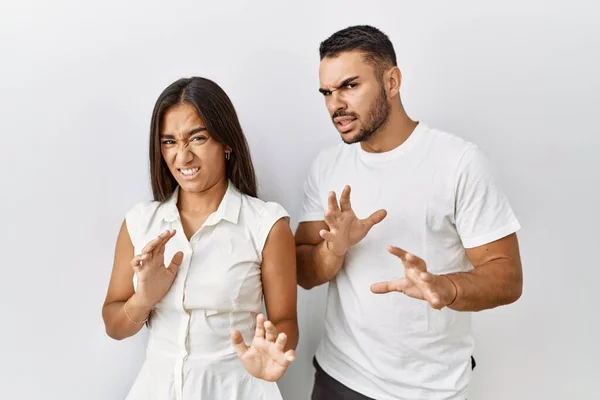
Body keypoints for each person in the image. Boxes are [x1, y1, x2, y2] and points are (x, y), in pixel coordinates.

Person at [295, 25, 523, 400]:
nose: (336, 104)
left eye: (350, 86)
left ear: (392, 81)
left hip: (431, 389)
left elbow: (508, 277)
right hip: (340, 379)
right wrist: (331, 251)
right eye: (327, 92)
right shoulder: (327, 166)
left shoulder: (458, 163)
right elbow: (302, 273)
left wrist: (445, 287)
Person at [102, 77, 298, 400]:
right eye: (169, 142)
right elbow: (114, 324)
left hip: (238, 390)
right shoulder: (140, 222)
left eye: (197, 138)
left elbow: (286, 321)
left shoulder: (266, 224)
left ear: (227, 142)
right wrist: (144, 298)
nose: (183, 157)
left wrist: (275, 350)